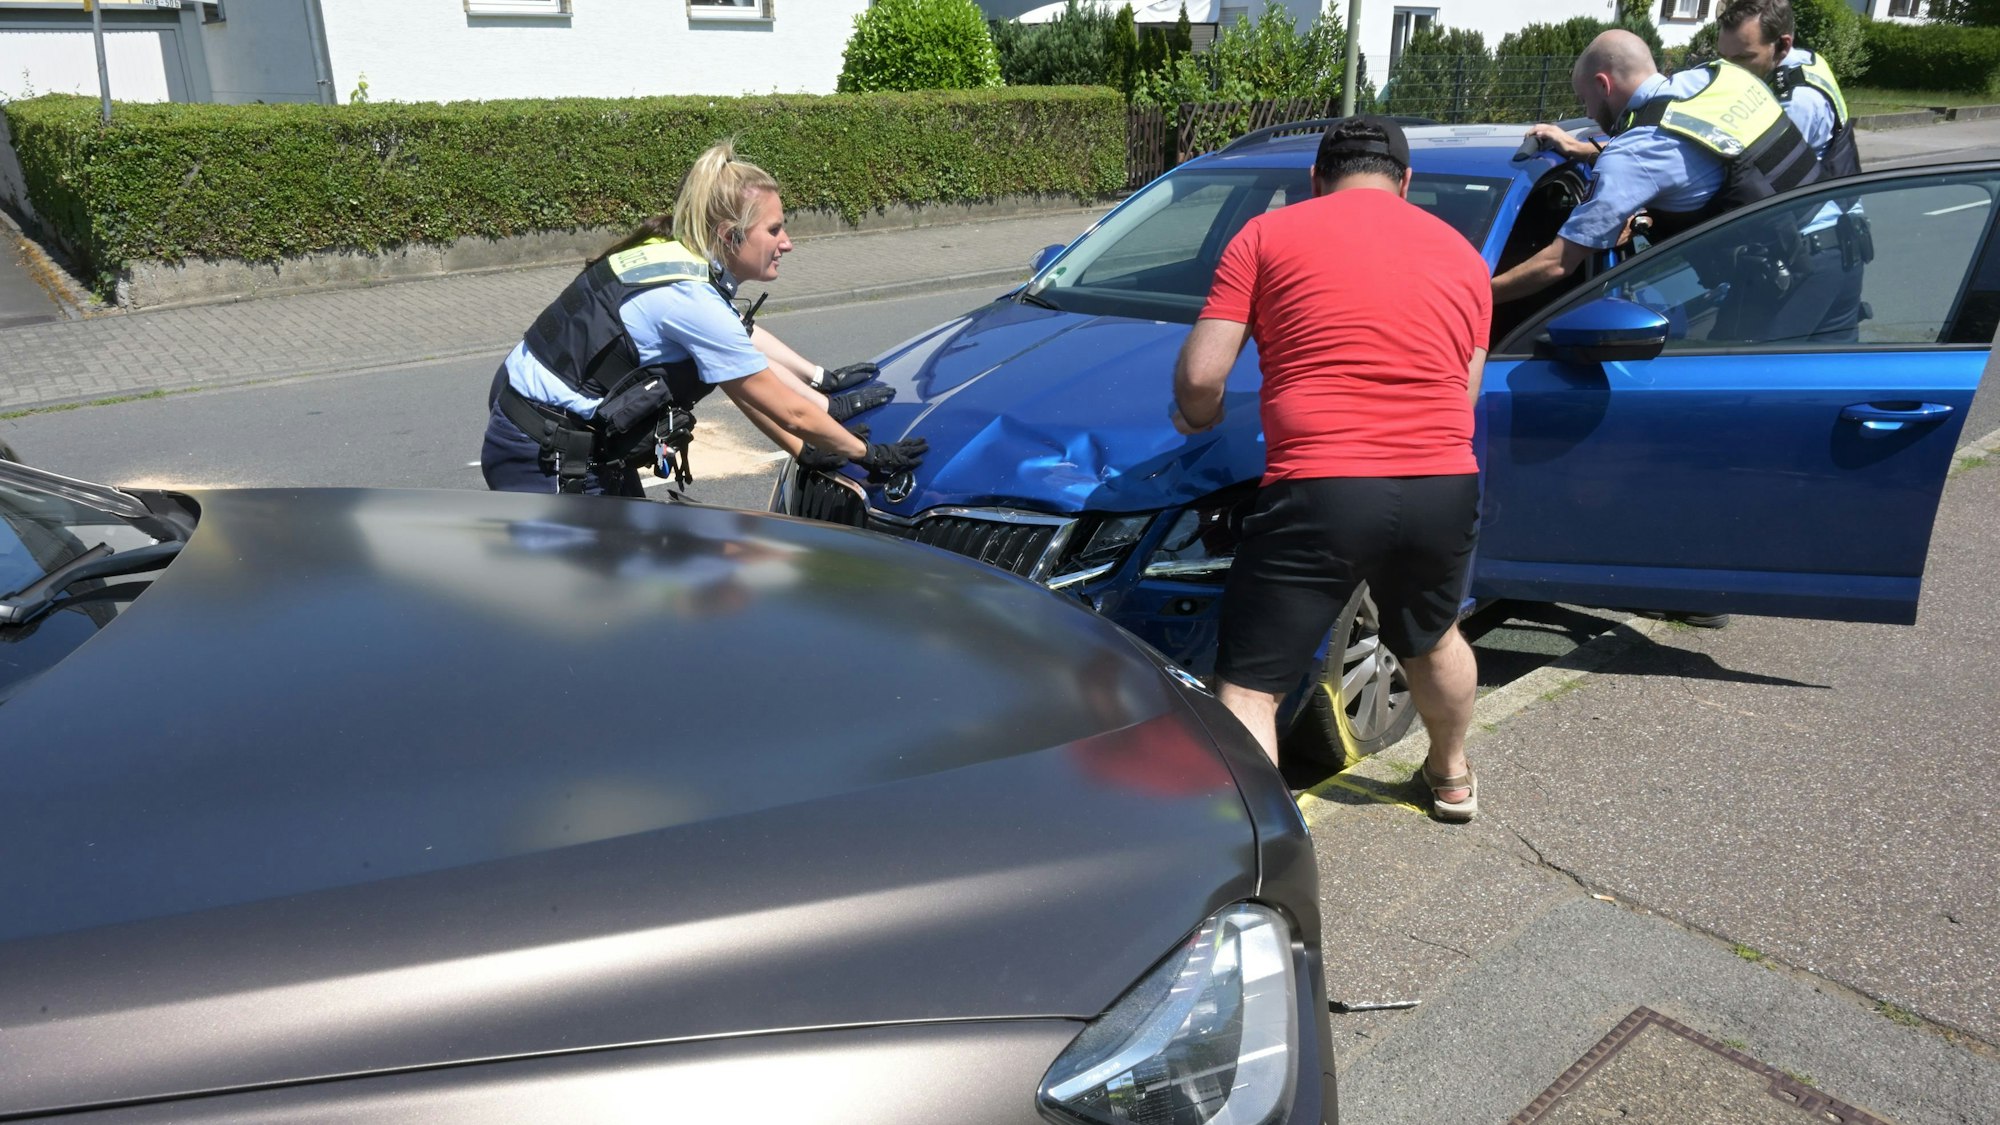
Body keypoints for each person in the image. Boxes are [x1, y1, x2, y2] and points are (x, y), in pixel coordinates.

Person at [1171, 117, 1490, 821]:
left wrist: (1198, 417)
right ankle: (1451, 776)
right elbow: (1461, 394)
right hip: (1443, 482)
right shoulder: (1465, 257)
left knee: (1252, 685)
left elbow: (1201, 373)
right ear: (1406, 183)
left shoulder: (1265, 234)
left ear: (1315, 181)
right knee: (1432, 637)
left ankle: (1262, 844)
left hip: (1322, 485)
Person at [481, 140, 925, 497]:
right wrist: (871, 455)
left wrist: (810, 423)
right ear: (730, 235)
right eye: (774, 230)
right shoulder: (691, 301)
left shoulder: (673, 256)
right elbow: (787, 408)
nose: (786, 242)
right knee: (590, 602)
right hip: (543, 457)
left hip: (553, 434)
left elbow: (740, 376)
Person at [1491, 30, 1823, 311]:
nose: (1589, 113)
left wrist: (1473, 297)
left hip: (1777, 292)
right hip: (1829, 240)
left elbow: (1558, 263)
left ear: (1603, 84)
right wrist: (1579, 149)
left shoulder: (1634, 153)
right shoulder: (1719, 79)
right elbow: (1691, 150)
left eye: (1584, 99)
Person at [1719, 0, 1869, 343]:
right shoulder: (1808, 64)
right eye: (1723, 59)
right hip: (1842, 248)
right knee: (1823, 380)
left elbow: (1756, 179)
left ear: (1782, 44)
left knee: (1751, 374)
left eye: (1743, 59)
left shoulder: (1795, 101)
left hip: (1805, 258)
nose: (1731, 72)